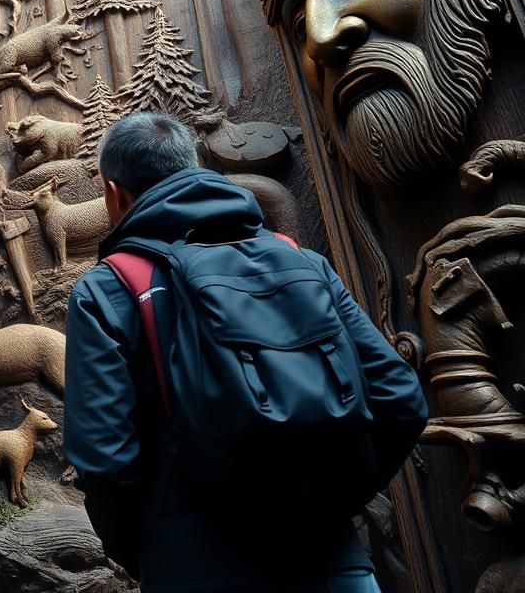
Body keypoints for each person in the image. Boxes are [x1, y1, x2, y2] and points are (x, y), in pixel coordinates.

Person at [64, 112, 428, 593]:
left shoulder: (107, 289)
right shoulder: (301, 260)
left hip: (193, 566)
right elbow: (401, 397)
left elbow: (105, 460)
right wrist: (333, 502)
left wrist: (151, 550)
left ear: (113, 193)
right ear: (193, 166)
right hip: (331, 562)